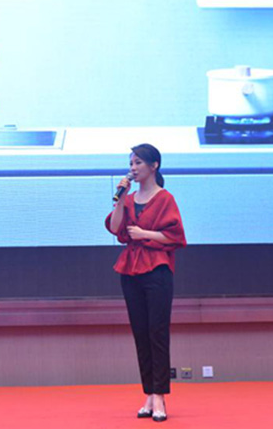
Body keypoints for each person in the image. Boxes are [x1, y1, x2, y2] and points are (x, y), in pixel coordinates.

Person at [106, 144, 187, 423]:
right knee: (140, 333)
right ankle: (149, 394)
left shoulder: (165, 199)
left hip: (157, 270)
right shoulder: (128, 199)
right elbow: (115, 228)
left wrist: (144, 234)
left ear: (154, 166)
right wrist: (119, 199)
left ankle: (161, 395)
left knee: (157, 332)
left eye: (138, 162)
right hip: (130, 271)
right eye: (131, 163)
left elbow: (176, 237)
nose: (133, 167)